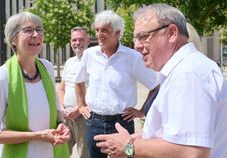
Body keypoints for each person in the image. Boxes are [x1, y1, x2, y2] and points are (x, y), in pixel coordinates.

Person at [94, 3, 227, 158]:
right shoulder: (184, 70)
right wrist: (143, 138)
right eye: (135, 38)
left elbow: (191, 151)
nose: (136, 46)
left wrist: (128, 146)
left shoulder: (188, 74)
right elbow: (179, 135)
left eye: (143, 37)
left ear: (171, 33)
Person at [0, 11, 70, 158]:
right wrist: (37, 136)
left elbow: (56, 108)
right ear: (13, 39)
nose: (36, 35)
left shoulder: (47, 67)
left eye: (39, 29)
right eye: (28, 30)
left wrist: (62, 124)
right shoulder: (0, 78)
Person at [75, 10, 159, 158]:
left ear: (117, 33)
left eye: (104, 30)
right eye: (97, 30)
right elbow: (78, 81)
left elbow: (155, 86)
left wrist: (142, 111)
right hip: (93, 123)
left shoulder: (132, 57)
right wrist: (81, 105)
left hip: (121, 124)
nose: (99, 34)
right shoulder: (89, 54)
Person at [57, 27, 90, 158]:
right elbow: (62, 89)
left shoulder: (94, 61)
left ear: (88, 41)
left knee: (84, 154)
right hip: (66, 117)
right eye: (74, 40)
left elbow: (96, 90)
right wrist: (61, 107)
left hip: (84, 117)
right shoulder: (69, 62)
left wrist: (79, 108)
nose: (77, 43)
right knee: (62, 153)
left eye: (81, 39)